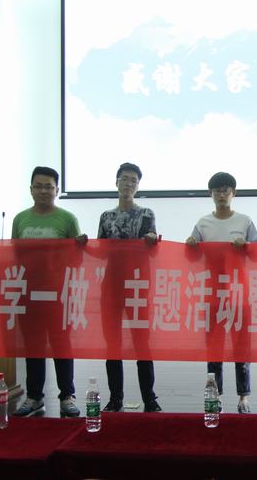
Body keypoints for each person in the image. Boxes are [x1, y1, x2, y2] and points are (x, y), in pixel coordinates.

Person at [12, 166, 87, 418]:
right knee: (33, 346)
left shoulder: (67, 219)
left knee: (61, 344)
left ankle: (67, 396)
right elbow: (13, 254)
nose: (43, 191)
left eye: (48, 186)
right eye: (38, 186)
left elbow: (77, 259)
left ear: (57, 190)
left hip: (57, 293)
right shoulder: (20, 219)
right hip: (28, 292)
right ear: (31, 189)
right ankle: (34, 397)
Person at [186, 172, 257, 413]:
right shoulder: (203, 223)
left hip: (239, 293)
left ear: (233, 193)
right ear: (211, 194)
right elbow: (190, 257)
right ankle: (215, 397)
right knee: (214, 348)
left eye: (225, 189)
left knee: (241, 347)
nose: (221, 194)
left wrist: (246, 247)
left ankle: (244, 398)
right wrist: (190, 245)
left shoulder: (245, 221)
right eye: (217, 190)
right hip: (212, 293)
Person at [97, 162, 161, 413]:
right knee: (112, 344)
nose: (128, 184)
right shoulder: (106, 217)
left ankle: (149, 399)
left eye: (133, 180)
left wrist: (153, 241)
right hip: (111, 285)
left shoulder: (146, 214)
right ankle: (116, 399)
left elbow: (151, 250)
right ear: (116, 182)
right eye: (124, 179)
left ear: (138, 186)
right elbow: (101, 250)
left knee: (141, 343)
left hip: (137, 285)